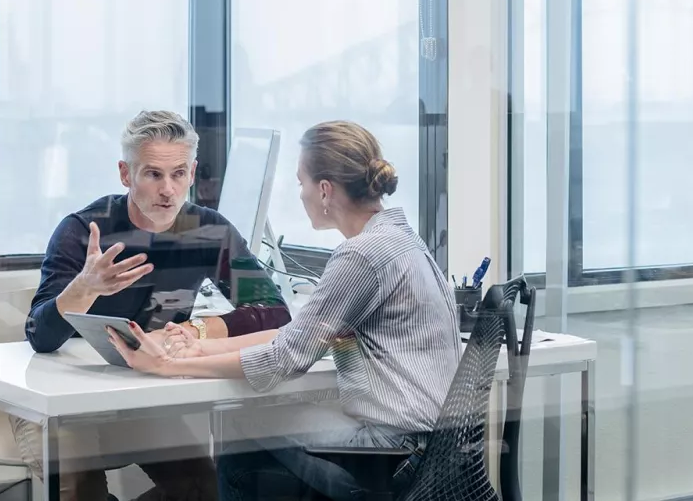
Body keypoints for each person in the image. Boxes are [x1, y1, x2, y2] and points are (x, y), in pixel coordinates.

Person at [108, 120, 462, 500]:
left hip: (395, 453)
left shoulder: (361, 255)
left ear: (324, 190)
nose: (300, 195)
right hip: (434, 449)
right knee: (255, 460)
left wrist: (168, 366)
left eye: (301, 183)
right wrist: (201, 348)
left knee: (239, 420)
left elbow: (283, 360)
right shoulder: (400, 239)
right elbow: (302, 338)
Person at [15, 110, 292, 501]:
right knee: (82, 492)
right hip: (58, 405)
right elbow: (39, 337)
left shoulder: (209, 230)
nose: (168, 190)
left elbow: (274, 312)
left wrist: (195, 330)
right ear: (126, 174)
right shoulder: (83, 230)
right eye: (153, 174)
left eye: (178, 174)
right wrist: (84, 288)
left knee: (204, 488)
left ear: (192, 173)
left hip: (138, 394)